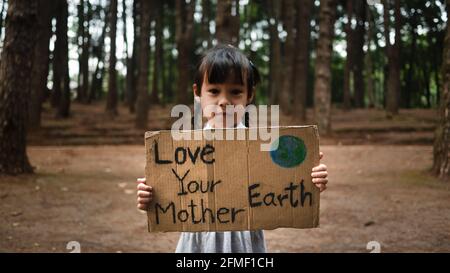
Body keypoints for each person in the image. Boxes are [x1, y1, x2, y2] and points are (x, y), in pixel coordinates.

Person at [136, 44, 328, 253]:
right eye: (214, 91)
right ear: (197, 92)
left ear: (249, 95)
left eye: (235, 92)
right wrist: (150, 196)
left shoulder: (261, 144)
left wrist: (312, 177)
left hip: (243, 243)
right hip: (198, 244)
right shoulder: (184, 148)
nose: (224, 102)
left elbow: (288, 182)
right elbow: (168, 196)